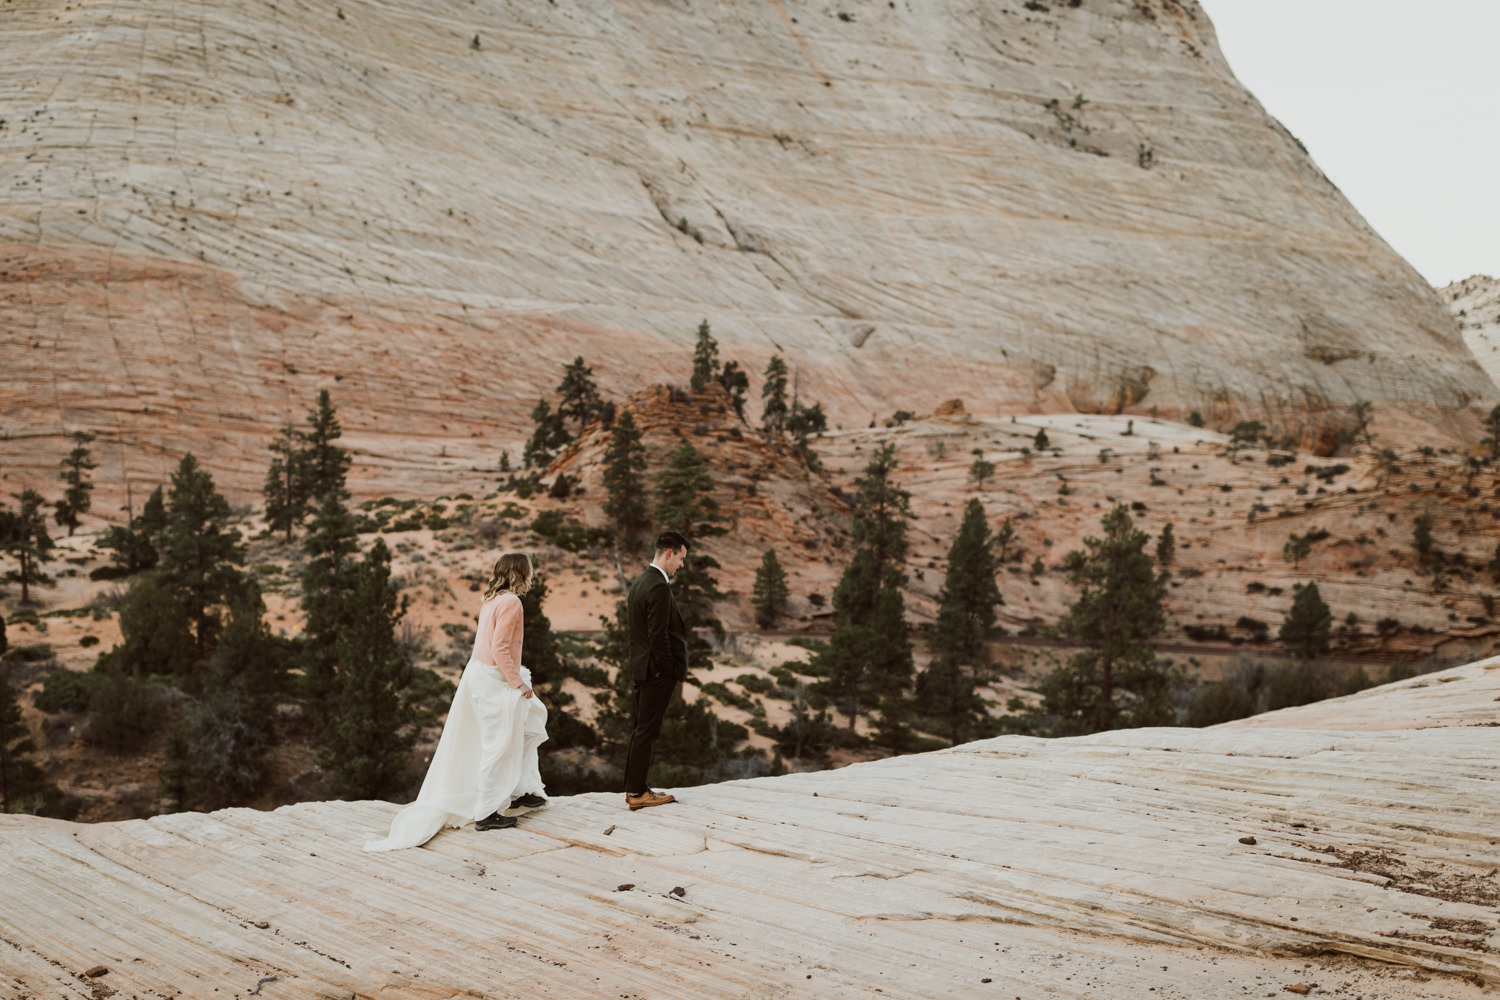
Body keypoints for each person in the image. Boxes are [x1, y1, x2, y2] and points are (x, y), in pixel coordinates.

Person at [365, 552, 549, 850]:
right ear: (520, 572)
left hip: (479, 673)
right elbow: (500, 648)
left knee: (530, 722)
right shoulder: (511, 602)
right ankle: (486, 813)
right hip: (494, 677)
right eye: (530, 569)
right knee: (498, 742)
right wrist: (517, 683)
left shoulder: (491, 598)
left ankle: (524, 790)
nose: (533, 574)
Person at [622, 531, 690, 810]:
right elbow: (658, 635)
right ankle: (637, 793)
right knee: (646, 732)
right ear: (669, 554)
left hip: (641, 667)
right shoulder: (658, 587)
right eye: (681, 558)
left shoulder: (640, 581)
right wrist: (668, 669)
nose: (682, 565)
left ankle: (634, 789)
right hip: (655, 671)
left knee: (641, 730)